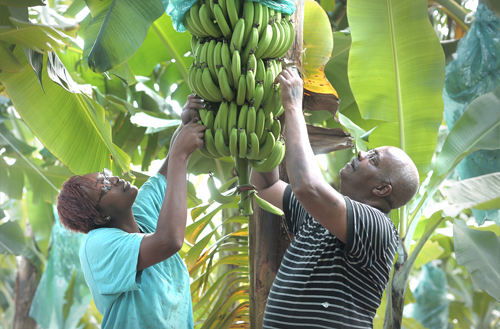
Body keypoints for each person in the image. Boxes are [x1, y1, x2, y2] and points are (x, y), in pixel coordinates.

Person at [250, 69, 420, 328]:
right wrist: (267, 117)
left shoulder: (378, 228)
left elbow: (307, 186)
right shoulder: (318, 215)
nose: (361, 154)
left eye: (372, 159)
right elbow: (265, 185)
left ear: (382, 190)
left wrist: (294, 106)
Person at [56, 95, 206, 329]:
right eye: (104, 187)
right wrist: (181, 155)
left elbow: (164, 175)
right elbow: (169, 240)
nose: (114, 178)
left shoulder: (140, 217)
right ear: (100, 217)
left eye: (105, 175)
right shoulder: (97, 245)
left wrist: (184, 124)